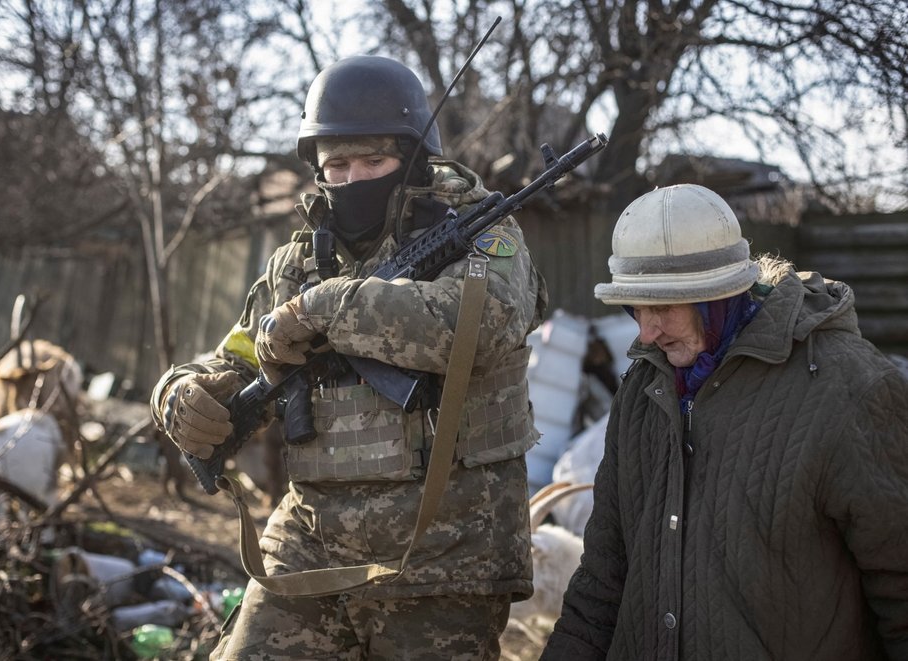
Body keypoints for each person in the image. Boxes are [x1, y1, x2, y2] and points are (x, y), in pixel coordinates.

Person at [150, 55, 548, 659]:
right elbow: (239, 354)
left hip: (445, 555)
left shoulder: (480, 230)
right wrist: (181, 393)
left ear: (413, 160)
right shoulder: (300, 260)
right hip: (312, 542)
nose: (354, 177)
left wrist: (326, 310)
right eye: (337, 164)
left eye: (375, 161)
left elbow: (475, 324)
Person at [541, 183, 908, 660]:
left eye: (663, 306)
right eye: (636, 307)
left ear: (719, 295)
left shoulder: (848, 389)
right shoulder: (644, 388)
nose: (645, 331)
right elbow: (601, 582)